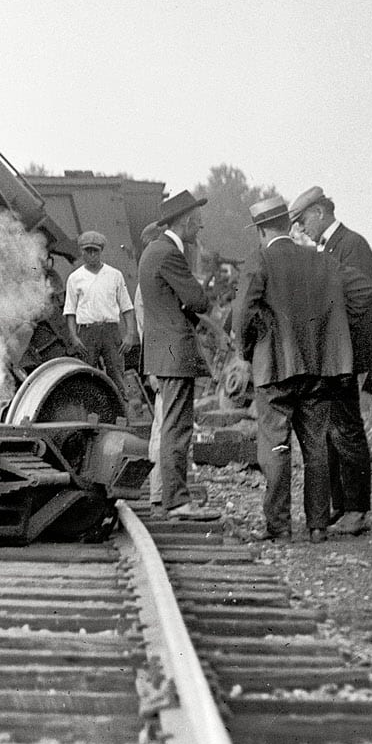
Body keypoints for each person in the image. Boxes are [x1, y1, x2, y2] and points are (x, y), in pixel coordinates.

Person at [231, 197, 357, 541]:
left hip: (274, 370)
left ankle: (279, 527)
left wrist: (245, 351)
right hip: (317, 371)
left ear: (260, 230)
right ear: (288, 225)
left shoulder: (260, 258)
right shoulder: (320, 259)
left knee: (275, 447)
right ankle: (317, 526)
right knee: (315, 448)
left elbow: (243, 314)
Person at [288, 186, 372, 527]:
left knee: (348, 429)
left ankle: (357, 509)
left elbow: (358, 298)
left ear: (320, 213)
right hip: (328, 352)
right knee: (329, 429)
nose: (301, 228)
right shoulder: (326, 247)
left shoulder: (353, 244)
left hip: (346, 352)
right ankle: (341, 504)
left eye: (303, 220)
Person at [135, 190, 216, 519]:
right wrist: (197, 290)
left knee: (171, 424)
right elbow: (198, 300)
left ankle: (172, 499)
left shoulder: (154, 251)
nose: (199, 230)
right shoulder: (169, 254)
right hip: (175, 352)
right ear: (183, 222)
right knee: (177, 427)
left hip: (161, 350)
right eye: (196, 224)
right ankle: (178, 501)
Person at [61, 231, 143, 418]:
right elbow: (70, 312)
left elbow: (127, 308)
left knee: (116, 372)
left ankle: (123, 415)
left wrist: (130, 333)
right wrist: (74, 336)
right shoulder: (75, 278)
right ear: (82, 252)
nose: (91, 255)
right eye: (87, 251)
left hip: (111, 330)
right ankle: (86, 416)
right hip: (87, 332)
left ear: (101, 252)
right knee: (85, 374)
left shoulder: (114, 275)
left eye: (95, 251)